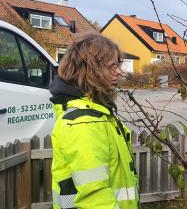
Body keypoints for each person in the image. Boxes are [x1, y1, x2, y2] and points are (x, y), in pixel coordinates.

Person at [49, 34, 139, 209]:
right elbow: (94, 197)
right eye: (112, 66)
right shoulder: (84, 122)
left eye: (118, 65)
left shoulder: (94, 113)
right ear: (90, 70)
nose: (119, 72)